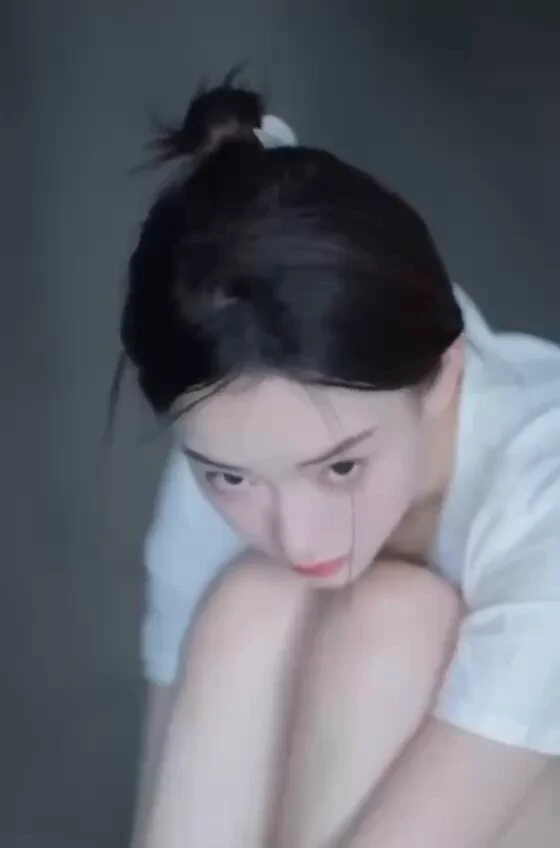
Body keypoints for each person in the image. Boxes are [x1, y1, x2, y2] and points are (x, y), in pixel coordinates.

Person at [122, 72, 560, 848]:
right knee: (254, 602)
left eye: (341, 467)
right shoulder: (239, 437)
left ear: (444, 374)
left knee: (394, 623)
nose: (298, 536)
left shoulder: (545, 493)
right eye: (230, 477)